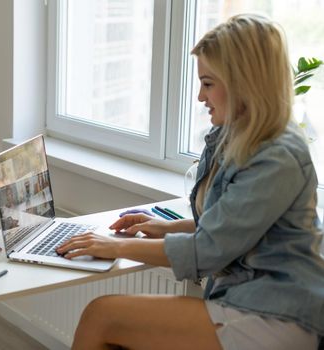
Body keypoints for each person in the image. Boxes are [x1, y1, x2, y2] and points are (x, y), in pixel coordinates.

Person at [56, 14, 324, 350]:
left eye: (209, 83)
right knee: (112, 322)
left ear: (244, 83)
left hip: (280, 313)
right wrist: (164, 227)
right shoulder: (241, 138)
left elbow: (209, 250)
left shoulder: (277, 156)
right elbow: (229, 229)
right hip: (251, 297)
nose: (200, 97)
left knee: (102, 316)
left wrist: (113, 246)